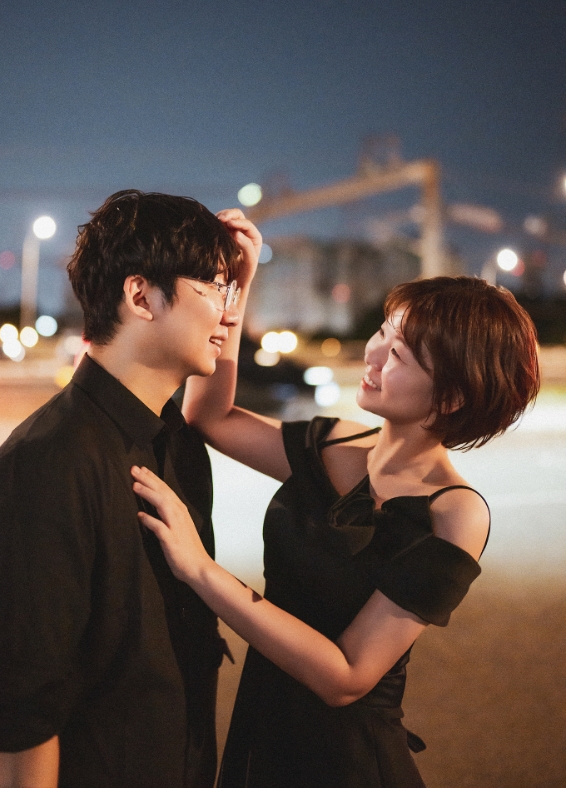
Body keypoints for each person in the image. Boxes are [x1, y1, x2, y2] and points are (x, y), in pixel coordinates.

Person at [131, 209, 540, 788]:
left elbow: (347, 677)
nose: (373, 356)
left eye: (397, 356)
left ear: (450, 397)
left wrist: (200, 570)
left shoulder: (454, 512)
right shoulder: (334, 442)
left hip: (346, 760)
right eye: (383, 333)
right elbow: (210, 416)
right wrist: (237, 288)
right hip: (264, 728)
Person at [0, 190, 244, 788]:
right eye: (214, 287)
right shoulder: (46, 463)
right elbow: (20, 715)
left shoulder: (178, 445)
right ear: (140, 296)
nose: (229, 312)